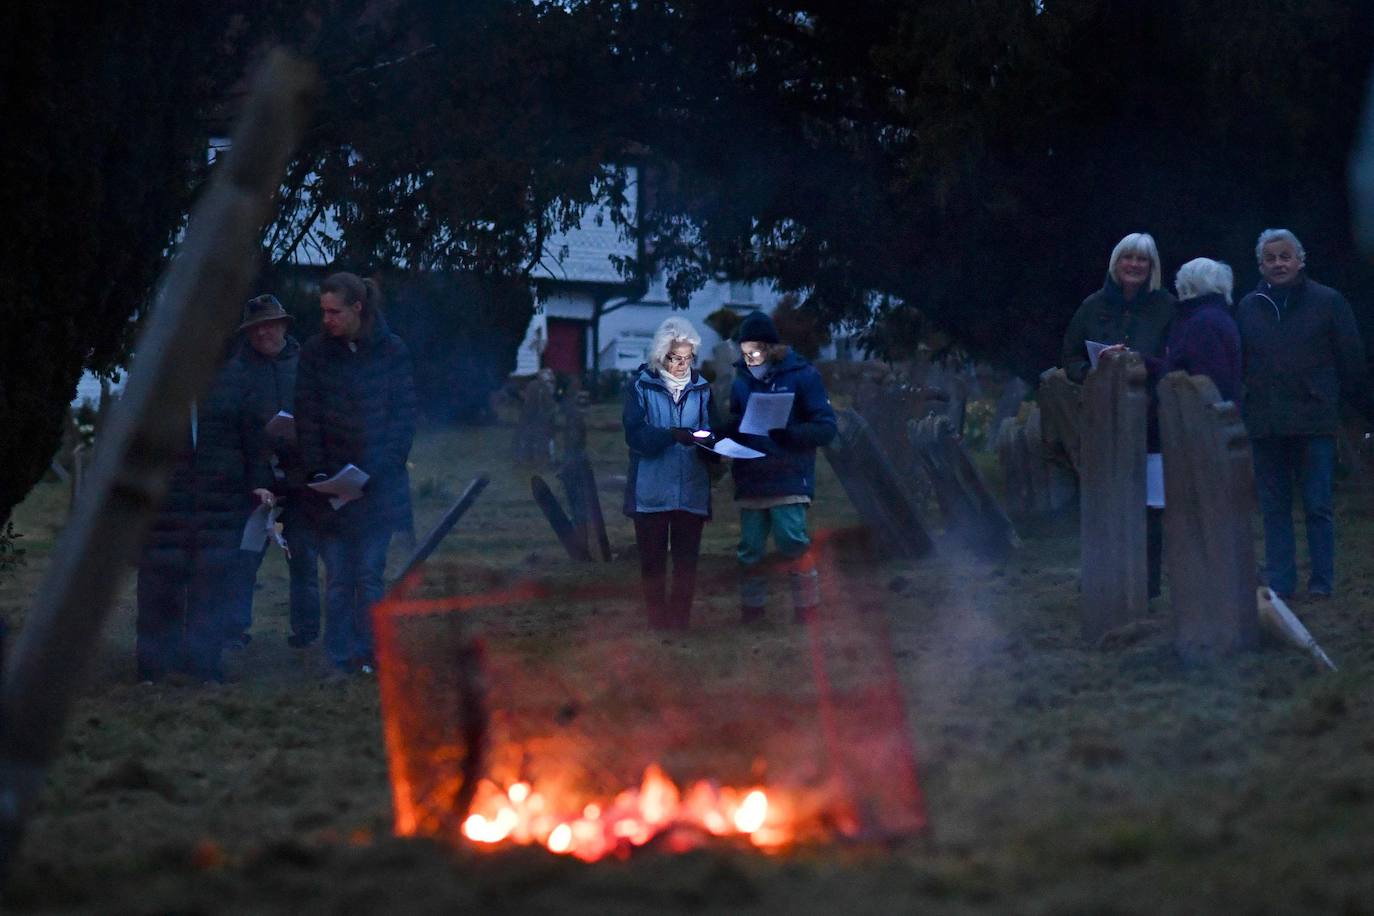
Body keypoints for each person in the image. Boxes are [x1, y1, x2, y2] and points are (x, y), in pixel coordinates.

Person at [1235, 229, 1374, 600]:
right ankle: (1281, 583)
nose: (1279, 264)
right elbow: (1241, 363)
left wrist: (1334, 402)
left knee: (1317, 506)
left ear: (1301, 260)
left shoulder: (1329, 302)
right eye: (1271, 258)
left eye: (1285, 256)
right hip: (1265, 423)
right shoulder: (1249, 307)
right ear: (1260, 265)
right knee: (1275, 510)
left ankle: (1321, 583)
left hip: (1314, 421)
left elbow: (1352, 359)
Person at [295, 272, 417, 674]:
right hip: (330, 489)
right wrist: (319, 471)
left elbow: (402, 417)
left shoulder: (391, 351)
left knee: (368, 574)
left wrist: (378, 470)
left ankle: (371, 653)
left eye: (334, 311)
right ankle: (340, 654)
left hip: (378, 488)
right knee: (338, 579)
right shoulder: (316, 353)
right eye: (323, 312)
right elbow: (308, 415)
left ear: (357, 309)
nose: (326, 319)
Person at [137, 360, 274, 683]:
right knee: (160, 585)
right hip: (166, 502)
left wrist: (260, 480)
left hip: (220, 501)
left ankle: (204, 666)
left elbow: (253, 440)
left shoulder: (236, 382)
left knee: (210, 587)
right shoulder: (154, 384)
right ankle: (154, 669)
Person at [1062, 232, 1175, 598]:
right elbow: (1071, 358)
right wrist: (1093, 370)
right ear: (1116, 263)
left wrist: (1144, 363)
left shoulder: (1166, 307)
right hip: (1105, 420)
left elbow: (1175, 359)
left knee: (1150, 505)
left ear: (1152, 267)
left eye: (1142, 260)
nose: (1134, 266)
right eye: (1128, 258)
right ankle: (1104, 581)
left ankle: (1149, 585)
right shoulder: (1092, 307)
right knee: (1105, 502)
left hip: (1151, 421)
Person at [727, 309, 837, 623]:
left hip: (789, 474)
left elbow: (826, 426)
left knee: (792, 540)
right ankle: (753, 611)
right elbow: (738, 420)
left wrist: (791, 435)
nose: (750, 355)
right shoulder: (741, 381)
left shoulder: (803, 375)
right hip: (751, 475)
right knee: (750, 548)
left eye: (755, 348)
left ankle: (807, 609)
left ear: (771, 346)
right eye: (745, 350)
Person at [226, 293, 322, 649]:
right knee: (245, 558)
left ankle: (306, 632)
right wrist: (256, 477)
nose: (262, 334)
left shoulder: (307, 365)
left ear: (283, 325)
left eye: (268, 325)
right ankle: (235, 630)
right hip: (255, 481)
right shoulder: (236, 373)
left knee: (303, 557)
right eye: (255, 328)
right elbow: (231, 430)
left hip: (301, 480)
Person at [622, 317, 717, 630]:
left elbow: (712, 431)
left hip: (691, 488)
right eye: (676, 357)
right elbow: (635, 435)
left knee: (686, 563)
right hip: (652, 490)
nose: (682, 364)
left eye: (688, 357)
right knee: (653, 563)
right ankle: (657, 621)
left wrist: (711, 446)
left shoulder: (702, 389)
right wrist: (671, 435)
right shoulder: (640, 386)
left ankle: (680, 622)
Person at [1162, 258, 1242, 402]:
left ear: (1189, 285)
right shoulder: (1219, 316)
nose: (1177, 286)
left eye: (1180, 282)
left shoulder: (1202, 323)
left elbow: (1206, 383)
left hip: (1199, 419)